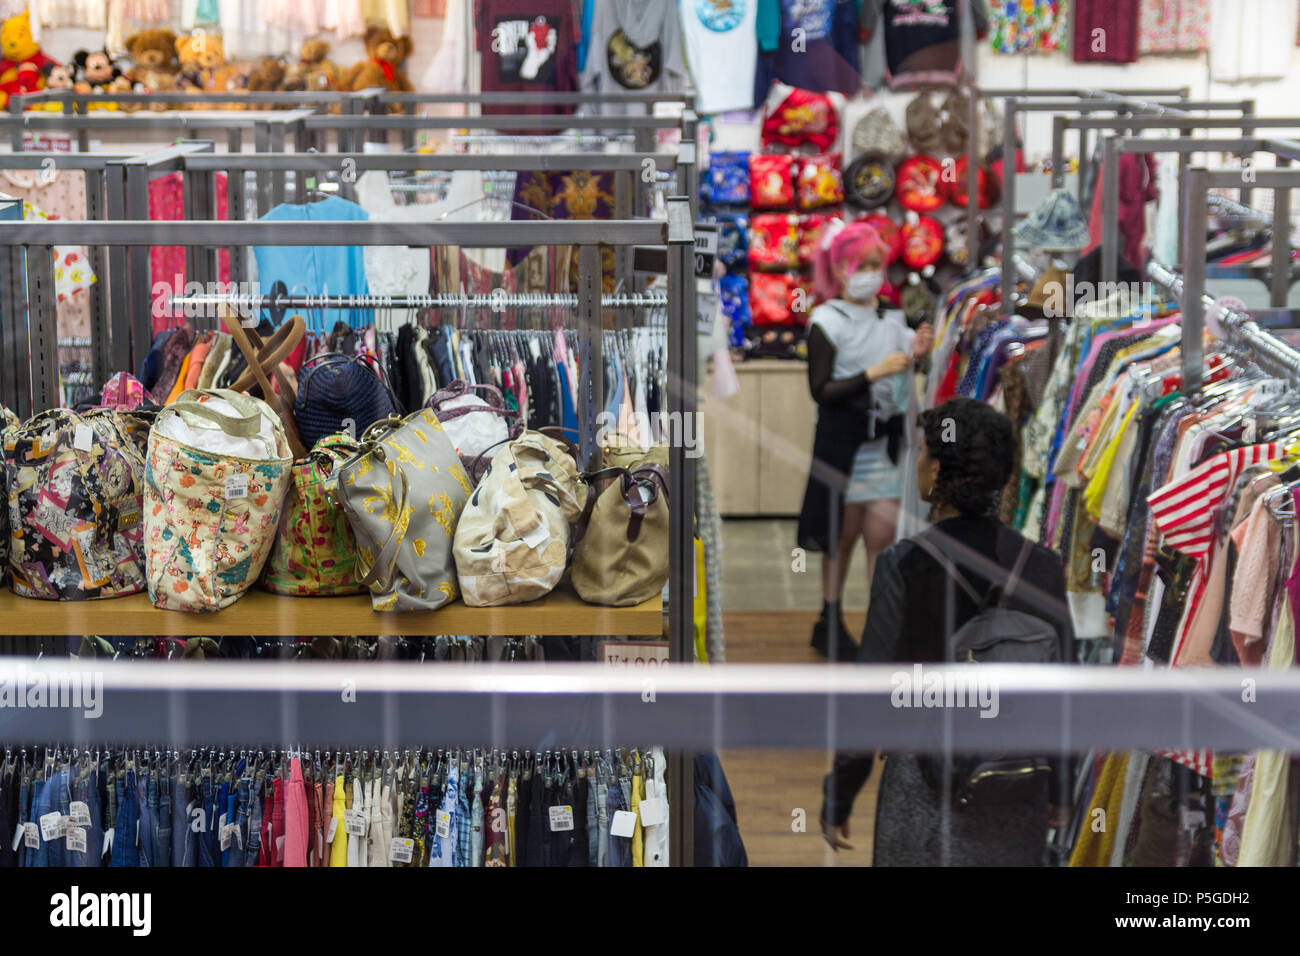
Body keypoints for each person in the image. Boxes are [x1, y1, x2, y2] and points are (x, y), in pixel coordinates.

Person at [819, 398, 1075, 865]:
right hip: (1016, 783)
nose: (917, 463)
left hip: (924, 785)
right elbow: (1068, 692)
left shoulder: (905, 564)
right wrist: (1060, 788)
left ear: (936, 472)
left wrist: (840, 792)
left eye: (921, 453)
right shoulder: (1043, 567)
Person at [796, 220, 932, 659]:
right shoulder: (825, 321)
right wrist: (873, 373)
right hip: (842, 447)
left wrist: (918, 353)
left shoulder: (892, 318)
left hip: (885, 448)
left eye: (878, 264)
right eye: (863, 264)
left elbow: (904, 372)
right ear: (838, 268)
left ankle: (881, 627)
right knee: (840, 538)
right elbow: (820, 390)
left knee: (882, 539)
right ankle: (829, 621)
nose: (872, 272)